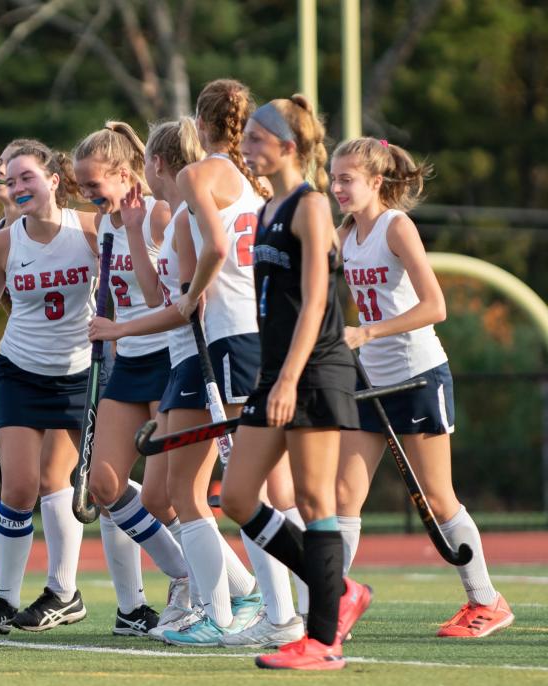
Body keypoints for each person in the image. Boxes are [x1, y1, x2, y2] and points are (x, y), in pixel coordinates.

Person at [88, 113, 264, 647]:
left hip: (194, 357)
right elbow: (162, 290)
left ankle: (237, 605)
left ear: (153, 164)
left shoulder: (182, 212)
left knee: (196, 493)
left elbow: (180, 304)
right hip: (186, 358)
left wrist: (121, 326)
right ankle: (240, 596)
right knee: (168, 492)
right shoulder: (158, 214)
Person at [331, 136, 514, 638]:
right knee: (344, 494)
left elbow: (436, 306)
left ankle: (486, 601)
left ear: (376, 181)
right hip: (371, 381)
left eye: (347, 179)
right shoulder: (345, 235)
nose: (337, 187)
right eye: (333, 177)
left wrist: (367, 331)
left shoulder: (396, 226)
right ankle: (330, 604)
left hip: (417, 375)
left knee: (437, 498)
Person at [217, 95, 369, 670]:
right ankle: (341, 589)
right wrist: (268, 376)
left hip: (313, 371)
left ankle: (324, 642)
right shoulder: (268, 206)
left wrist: (286, 379)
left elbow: (314, 305)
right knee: (236, 496)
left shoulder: (310, 207)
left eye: (256, 140)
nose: (247, 148)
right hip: (275, 372)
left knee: (312, 499)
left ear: (287, 147)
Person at [0, 141, 98, 635]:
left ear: (53, 179)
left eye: (27, 177)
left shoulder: (90, 230)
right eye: (10, 180)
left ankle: (62, 592)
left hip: (78, 374)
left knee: (57, 483)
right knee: (18, 486)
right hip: (19, 370)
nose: (17, 187)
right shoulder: (4, 241)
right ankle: (3, 600)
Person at [172, 78, 306, 647]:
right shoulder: (258, 180)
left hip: (230, 335)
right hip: (267, 334)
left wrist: (189, 294)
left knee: (244, 487)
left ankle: (281, 618)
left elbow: (217, 250)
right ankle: (316, 606)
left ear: (200, 124)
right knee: (276, 487)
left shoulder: (198, 174)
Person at [73, 121, 194, 637]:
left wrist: (134, 231)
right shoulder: (104, 224)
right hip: (127, 365)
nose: (87, 195)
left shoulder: (161, 214)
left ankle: (199, 587)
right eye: (80, 187)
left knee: (162, 499)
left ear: (125, 175)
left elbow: (154, 296)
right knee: (103, 484)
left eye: (93, 185)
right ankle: (186, 576)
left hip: (167, 358)